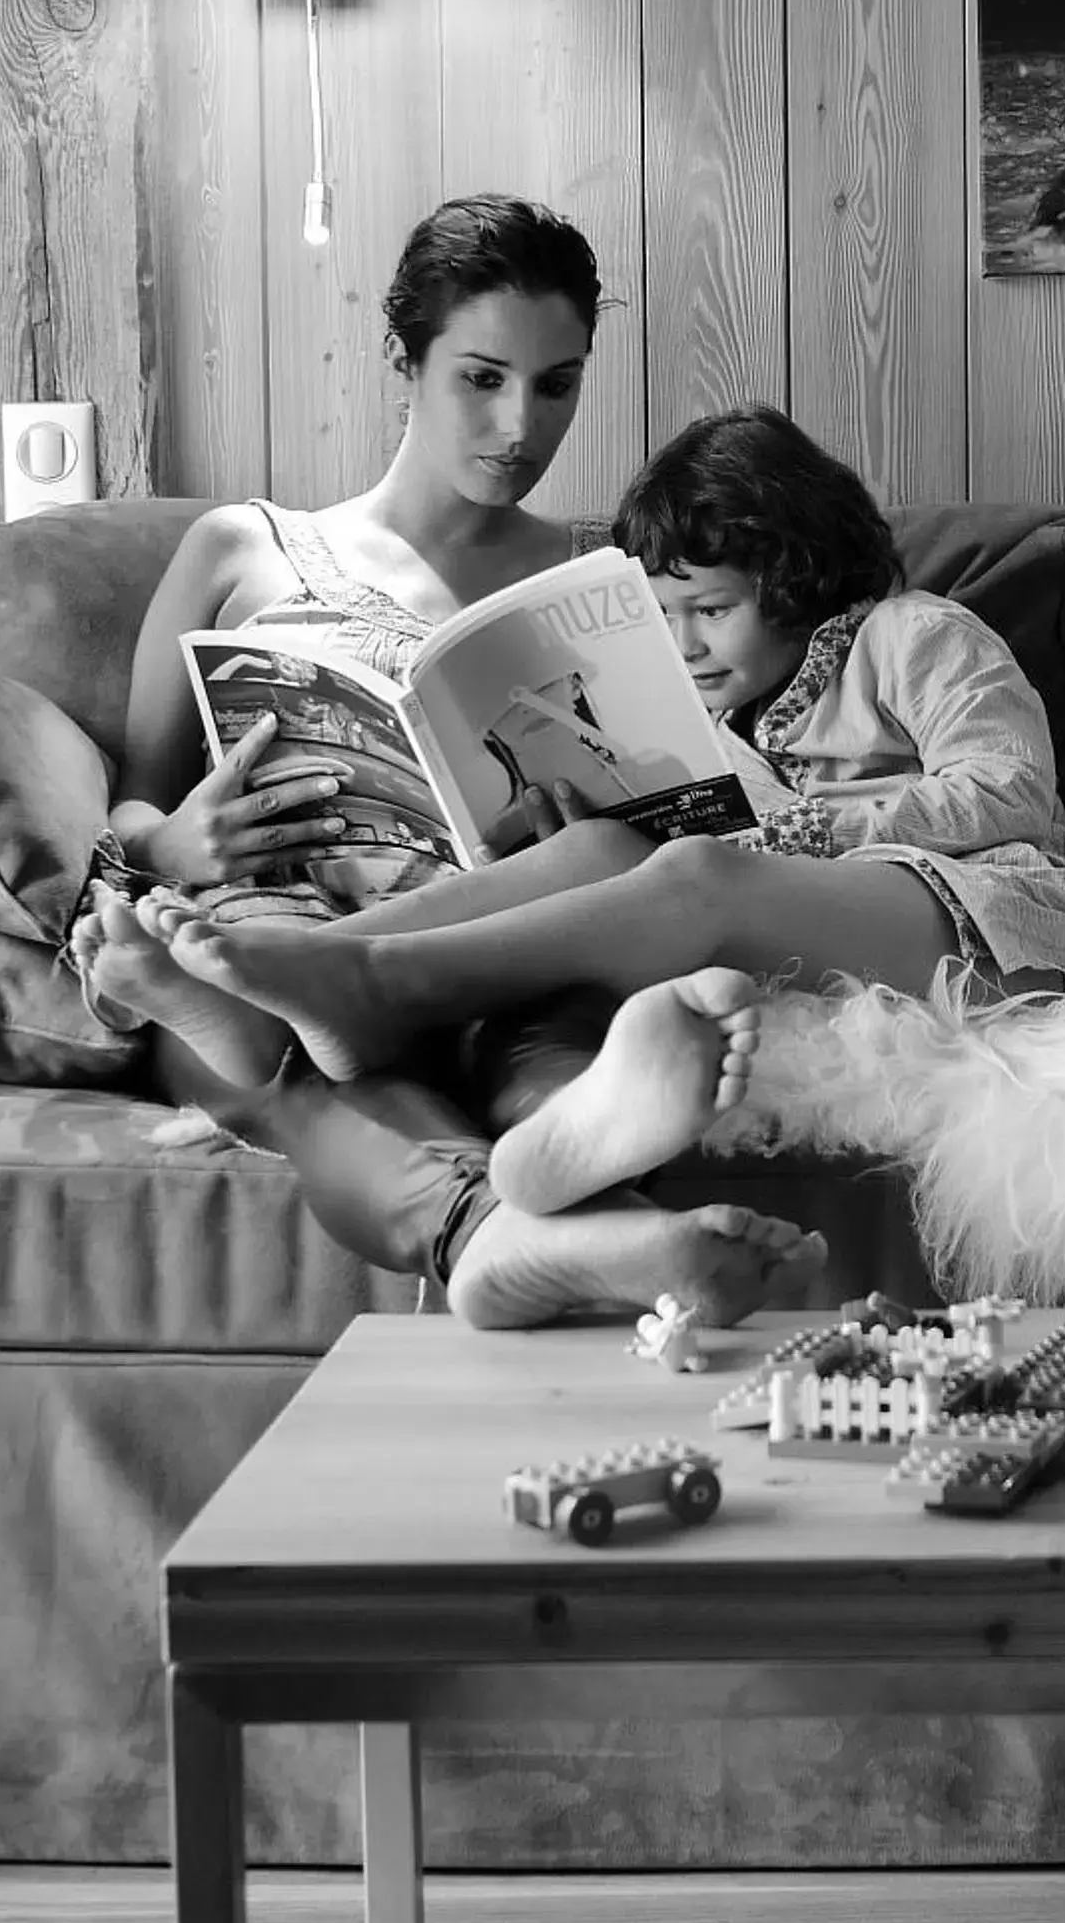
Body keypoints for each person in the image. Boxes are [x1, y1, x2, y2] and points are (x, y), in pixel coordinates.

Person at [95, 403, 1065, 1228]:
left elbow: (1010, 789)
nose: (684, 642)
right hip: (806, 918)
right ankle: (268, 978)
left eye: (712, 609)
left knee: (699, 879)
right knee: (605, 844)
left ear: (797, 578)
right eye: (662, 612)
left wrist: (805, 831)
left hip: (989, 918)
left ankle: (368, 984)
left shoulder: (913, 634)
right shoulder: (707, 714)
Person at [75, 196, 822, 1332]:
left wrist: (587, 818)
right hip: (267, 923)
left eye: (556, 383)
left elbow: (701, 807)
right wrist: (164, 841)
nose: (521, 424)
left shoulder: (614, 575)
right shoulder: (243, 547)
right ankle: (512, 1222)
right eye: (483, 377)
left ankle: (572, 1162)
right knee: (298, 1032)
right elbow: (134, 790)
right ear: (405, 358)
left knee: (552, 993)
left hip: (496, 937)